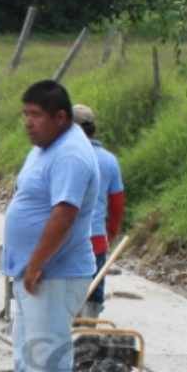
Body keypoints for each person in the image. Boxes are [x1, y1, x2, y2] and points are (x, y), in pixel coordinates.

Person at [0, 80, 99, 372]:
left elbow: (65, 213)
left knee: (47, 353)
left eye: (35, 116)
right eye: (25, 114)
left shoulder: (71, 154)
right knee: (26, 352)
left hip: (55, 273)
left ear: (61, 117)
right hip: (33, 272)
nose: (28, 123)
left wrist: (36, 262)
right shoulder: (45, 148)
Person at [71, 104, 126, 321]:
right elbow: (117, 204)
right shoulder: (109, 160)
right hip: (96, 238)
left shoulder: (63, 156)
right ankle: (89, 333)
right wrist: (109, 234)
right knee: (94, 291)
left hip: (65, 239)